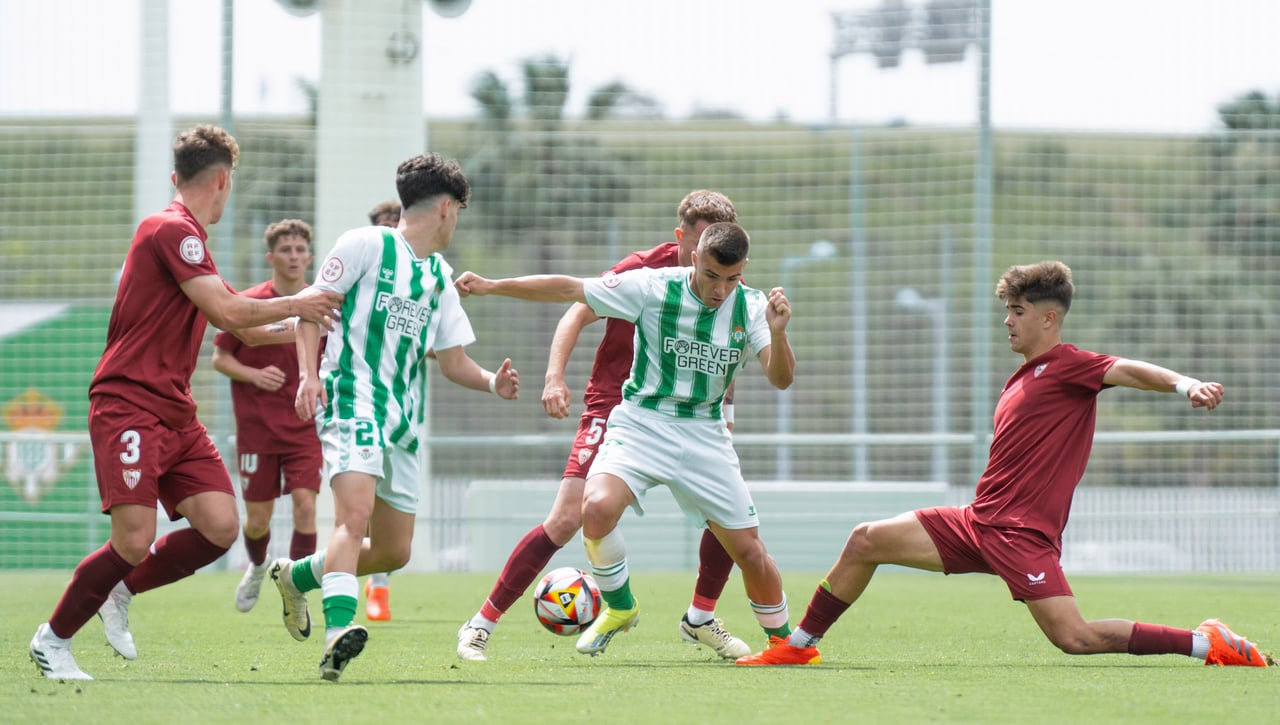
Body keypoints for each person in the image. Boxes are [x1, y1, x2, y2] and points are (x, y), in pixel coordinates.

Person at [737, 260, 1272, 668]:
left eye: (1017, 312)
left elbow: (1129, 369)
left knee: (1076, 638)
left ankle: (1208, 642)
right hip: (978, 522)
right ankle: (798, 646)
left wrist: (1185, 384)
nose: (1007, 321)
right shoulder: (1022, 376)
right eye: (1008, 310)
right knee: (865, 540)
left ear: (1048, 318)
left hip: (1021, 536)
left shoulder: (1069, 366)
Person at [28, 124, 343, 681]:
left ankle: (120, 590)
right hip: (129, 403)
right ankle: (52, 640)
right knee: (133, 539)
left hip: (174, 411)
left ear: (178, 176)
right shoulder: (173, 230)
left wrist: (305, 321)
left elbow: (244, 328)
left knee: (220, 526)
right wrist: (301, 302)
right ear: (222, 180)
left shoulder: (188, 240)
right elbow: (229, 313)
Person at [456, 221, 800, 658]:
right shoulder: (652, 285)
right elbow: (569, 290)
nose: (719, 290)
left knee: (749, 551)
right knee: (595, 508)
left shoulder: (752, 307)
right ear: (694, 258)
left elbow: (781, 378)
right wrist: (492, 285)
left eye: (731, 279)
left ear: (744, 269)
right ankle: (620, 606)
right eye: (711, 276)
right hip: (641, 423)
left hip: (704, 431)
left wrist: (778, 334)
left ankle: (784, 643)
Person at [268, 153, 521, 682]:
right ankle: (339, 631)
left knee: (393, 550)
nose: (457, 222)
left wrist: (491, 383)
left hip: (401, 420)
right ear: (447, 208)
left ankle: (296, 577)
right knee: (352, 517)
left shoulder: (439, 277)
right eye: (460, 212)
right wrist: (309, 376)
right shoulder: (365, 244)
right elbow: (311, 309)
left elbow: (453, 361)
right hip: (350, 397)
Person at [212, 219, 323, 614]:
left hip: (305, 426)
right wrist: (253, 374)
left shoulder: (321, 304)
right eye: (285, 250)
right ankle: (258, 566)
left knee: (306, 507)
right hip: (257, 429)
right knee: (258, 520)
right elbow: (219, 358)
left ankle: (297, 588)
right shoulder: (251, 302)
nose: (293, 256)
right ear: (270, 257)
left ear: (309, 257)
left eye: (299, 250)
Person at [360, 199, 403, 623]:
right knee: (363, 502)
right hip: (361, 405)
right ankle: (375, 587)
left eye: (397, 222)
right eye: (384, 224)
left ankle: (378, 583)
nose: (391, 229)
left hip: (403, 411)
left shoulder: (423, 276)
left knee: (392, 513)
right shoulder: (363, 274)